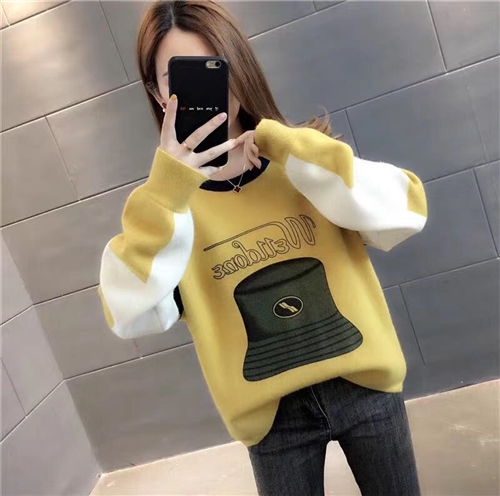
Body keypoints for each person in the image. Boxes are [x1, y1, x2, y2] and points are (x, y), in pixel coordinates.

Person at [98, 1, 427, 495]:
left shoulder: (304, 163)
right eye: (180, 76)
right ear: (157, 93)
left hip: (366, 387)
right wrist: (166, 193)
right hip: (272, 423)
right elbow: (129, 313)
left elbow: (406, 211)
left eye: (215, 65)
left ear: (239, 63)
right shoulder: (166, 212)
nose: (206, 86)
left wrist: (289, 145)